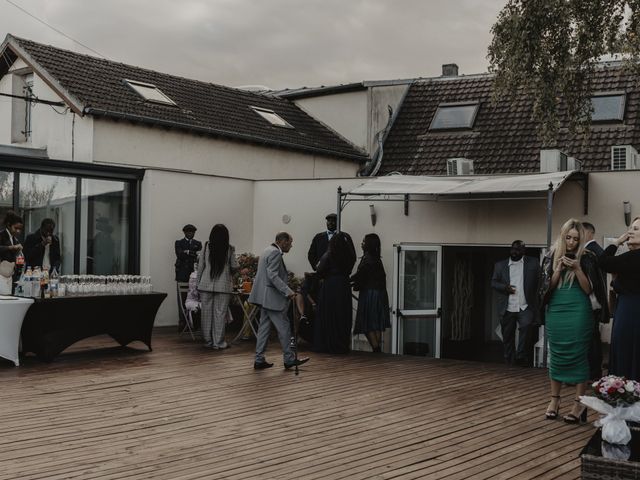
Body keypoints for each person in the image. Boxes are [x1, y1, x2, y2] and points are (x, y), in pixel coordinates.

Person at [539, 219, 604, 423]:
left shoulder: (587, 257)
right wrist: (558, 269)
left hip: (579, 309)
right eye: (568, 237)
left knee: (577, 353)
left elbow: (589, 290)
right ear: (562, 235)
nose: (572, 242)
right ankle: (554, 401)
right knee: (557, 353)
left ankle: (578, 404)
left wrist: (577, 268)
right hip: (557, 309)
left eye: (576, 239)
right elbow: (546, 290)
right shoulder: (550, 256)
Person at [250, 231, 309, 370]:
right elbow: (273, 275)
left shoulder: (266, 250)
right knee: (285, 328)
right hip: (272, 298)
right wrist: (288, 291)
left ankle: (259, 359)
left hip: (264, 297)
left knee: (263, 329)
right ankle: (289, 359)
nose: (291, 245)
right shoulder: (275, 253)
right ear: (282, 241)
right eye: (290, 242)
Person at [598, 216, 640, 380]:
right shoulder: (631, 258)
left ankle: (628, 389)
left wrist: (617, 242)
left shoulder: (633, 257)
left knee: (626, 350)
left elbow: (602, 261)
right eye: (630, 228)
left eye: (635, 229)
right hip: (629, 308)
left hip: (631, 311)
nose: (630, 232)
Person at [491, 240, 540, 366]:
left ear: (524, 251)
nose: (515, 252)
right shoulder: (500, 265)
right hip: (507, 307)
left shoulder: (533, 263)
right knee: (507, 335)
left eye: (518, 249)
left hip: (525, 306)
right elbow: (494, 283)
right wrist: (505, 288)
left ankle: (521, 356)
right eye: (513, 249)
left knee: (526, 327)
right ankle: (509, 359)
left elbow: (539, 282)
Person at [196, 224, 238, 349]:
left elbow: (200, 267)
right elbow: (234, 267)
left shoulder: (206, 246)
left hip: (205, 285)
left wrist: (198, 284)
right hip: (223, 286)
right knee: (220, 314)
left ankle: (208, 341)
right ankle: (218, 343)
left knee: (206, 314)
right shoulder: (230, 249)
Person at [314, 232, 356, 354]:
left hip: (331, 285)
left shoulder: (329, 254)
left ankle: (328, 344)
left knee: (329, 314)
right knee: (342, 314)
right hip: (343, 285)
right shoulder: (348, 256)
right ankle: (341, 344)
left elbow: (319, 270)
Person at [351, 233, 390, 353]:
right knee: (376, 323)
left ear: (368, 244)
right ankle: (377, 349)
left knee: (367, 323)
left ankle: (376, 349)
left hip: (370, 293)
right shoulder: (377, 258)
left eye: (363, 241)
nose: (361, 243)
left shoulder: (367, 258)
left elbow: (360, 274)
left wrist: (348, 280)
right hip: (380, 293)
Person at [581, 221, 610, 379]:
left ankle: (593, 371)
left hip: (591, 301)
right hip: (596, 301)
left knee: (591, 338)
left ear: (588, 233)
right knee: (593, 337)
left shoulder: (590, 252)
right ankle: (593, 370)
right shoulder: (597, 250)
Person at [0, 211, 24, 294]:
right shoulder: (1, 235)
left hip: (10, 275)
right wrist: (11, 247)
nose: (18, 231)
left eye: (20, 229)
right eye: (16, 228)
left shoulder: (15, 239)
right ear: (9, 225)